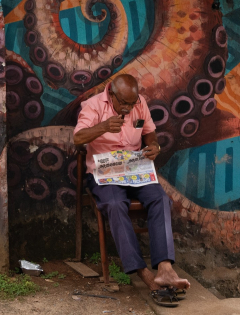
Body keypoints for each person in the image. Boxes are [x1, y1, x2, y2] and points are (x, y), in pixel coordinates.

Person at [74, 73, 191, 306]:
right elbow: (78, 138)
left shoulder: (139, 104)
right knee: (116, 205)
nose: (129, 108)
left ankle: (165, 268)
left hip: (134, 169)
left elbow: (149, 132)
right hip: (104, 171)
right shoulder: (93, 106)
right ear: (112, 95)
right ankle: (142, 272)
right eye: (124, 103)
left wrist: (154, 146)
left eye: (132, 103)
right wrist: (104, 126)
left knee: (160, 199)